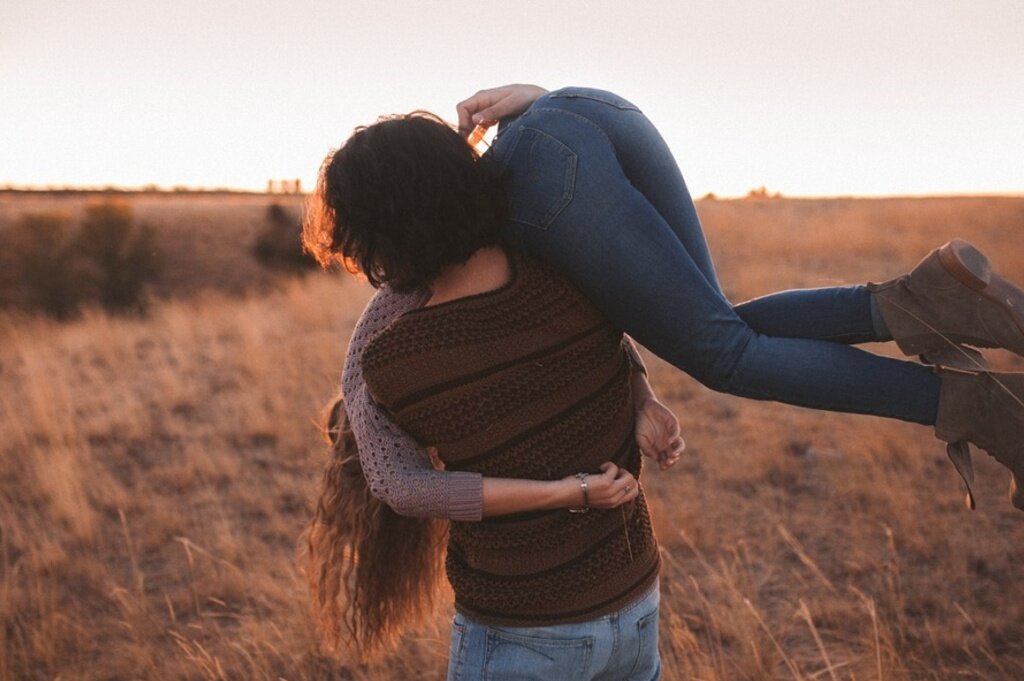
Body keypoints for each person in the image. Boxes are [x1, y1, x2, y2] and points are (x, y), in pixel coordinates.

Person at [338, 85, 1024, 516]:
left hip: (560, 179)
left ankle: (983, 409)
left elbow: (394, 465)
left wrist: (357, 382)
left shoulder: (436, 262)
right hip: (587, 108)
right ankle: (930, 296)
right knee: (718, 322)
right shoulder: (470, 192)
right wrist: (544, 99)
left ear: (385, 229)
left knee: (727, 357)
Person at [304, 112, 682, 681]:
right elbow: (611, 337)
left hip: (521, 631)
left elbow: (402, 487)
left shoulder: (397, 362)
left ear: (379, 235)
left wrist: (567, 492)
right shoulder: (568, 273)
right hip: (633, 598)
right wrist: (640, 394)